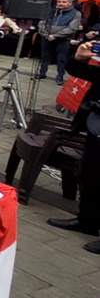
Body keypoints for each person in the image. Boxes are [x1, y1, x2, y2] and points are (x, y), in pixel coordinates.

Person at [48, 40, 100, 253]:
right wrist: (79, 58)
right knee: (90, 174)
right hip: (96, 122)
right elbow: (87, 74)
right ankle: (87, 221)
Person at [39, 0, 81, 85]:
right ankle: (42, 73)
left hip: (64, 39)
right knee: (45, 56)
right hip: (47, 36)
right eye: (59, 1)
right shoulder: (51, 11)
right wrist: (46, 33)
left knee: (61, 58)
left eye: (64, 2)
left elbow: (72, 28)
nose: (61, 3)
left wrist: (56, 35)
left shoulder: (76, 14)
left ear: (70, 3)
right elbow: (42, 23)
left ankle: (60, 76)